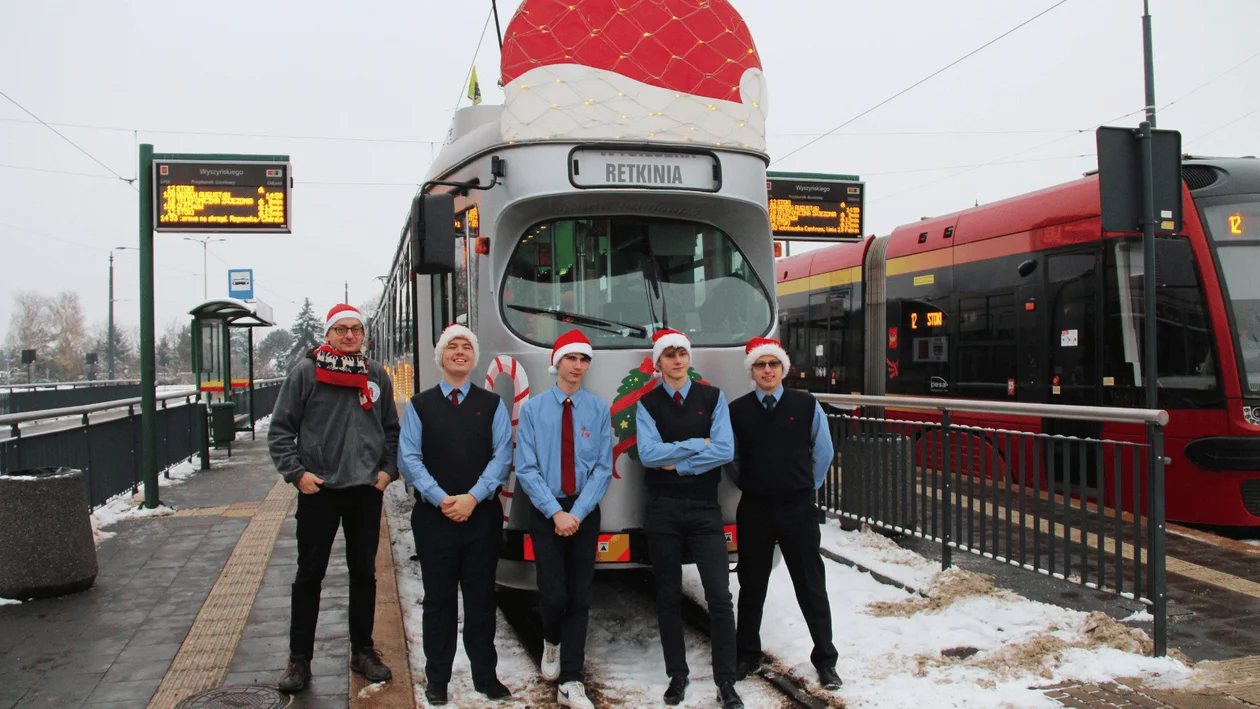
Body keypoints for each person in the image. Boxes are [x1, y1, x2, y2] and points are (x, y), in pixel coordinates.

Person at [268, 303, 400, 694]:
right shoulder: (306, 373)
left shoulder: (376, 374)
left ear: (363, 335)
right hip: (319, 491)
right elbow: (280, 430)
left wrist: (387, 472)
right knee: (309, 576)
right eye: (340, 330)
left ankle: (363, 651)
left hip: (365, 491)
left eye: (355, 329)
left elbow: (391, 428)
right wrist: (297, 475)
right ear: (327, 335)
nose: (348, 336)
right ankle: (300, 660)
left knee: (364, 574)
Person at [398, 324, 514, 705]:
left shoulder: (493, 404)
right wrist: (442, 498)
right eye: (453, 347)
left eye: (466, 346)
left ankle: (485, 675)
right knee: (439, 602)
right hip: (435, 520)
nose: (460, 352)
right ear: (441, 357)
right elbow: (410, 458)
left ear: (474, 357)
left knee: (481, 600)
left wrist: (473, 498)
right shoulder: (419, 405)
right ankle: (438, 679)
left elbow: (502, 456)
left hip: (481, 519)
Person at [635, 329, 744, 709]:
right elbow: (648, 455)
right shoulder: (647, 405)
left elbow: (726, 449)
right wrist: (699, 446)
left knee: (719, 595)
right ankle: (676, 675)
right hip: (662, 508)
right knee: (667, 595)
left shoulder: (713, 398)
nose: (677, 360)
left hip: (704, 510)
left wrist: (677, 465)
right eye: (670, 355)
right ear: (658, 363)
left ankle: (726, 681)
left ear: (689, 358)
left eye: (682, 353)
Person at [728, 337, 842, 691]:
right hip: (756, 508)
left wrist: (805, 485)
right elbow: (732, 461)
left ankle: (825, 659)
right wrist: (754, 482)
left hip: (797, 508)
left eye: (773, 365)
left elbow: (823, 452)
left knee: (810, 584)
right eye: (760, 365)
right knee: (751, 584)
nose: (767, 371)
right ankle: (747, 654)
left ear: (783, 369)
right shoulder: (738, 410)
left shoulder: (807, 405)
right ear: (752, 371)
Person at [514, 330, 612, 709]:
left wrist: (576, 513)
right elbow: (526, 468)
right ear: (557, 362)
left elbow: (603, 469)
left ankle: (572, 679)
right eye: (572, 358)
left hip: (583, 512)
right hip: (546, 511)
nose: (578, 365)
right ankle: (551, 641)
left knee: (581, 597)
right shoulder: (535, 410)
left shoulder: (598, 410)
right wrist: (556, 513)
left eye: (584, 359)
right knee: (553, 594)